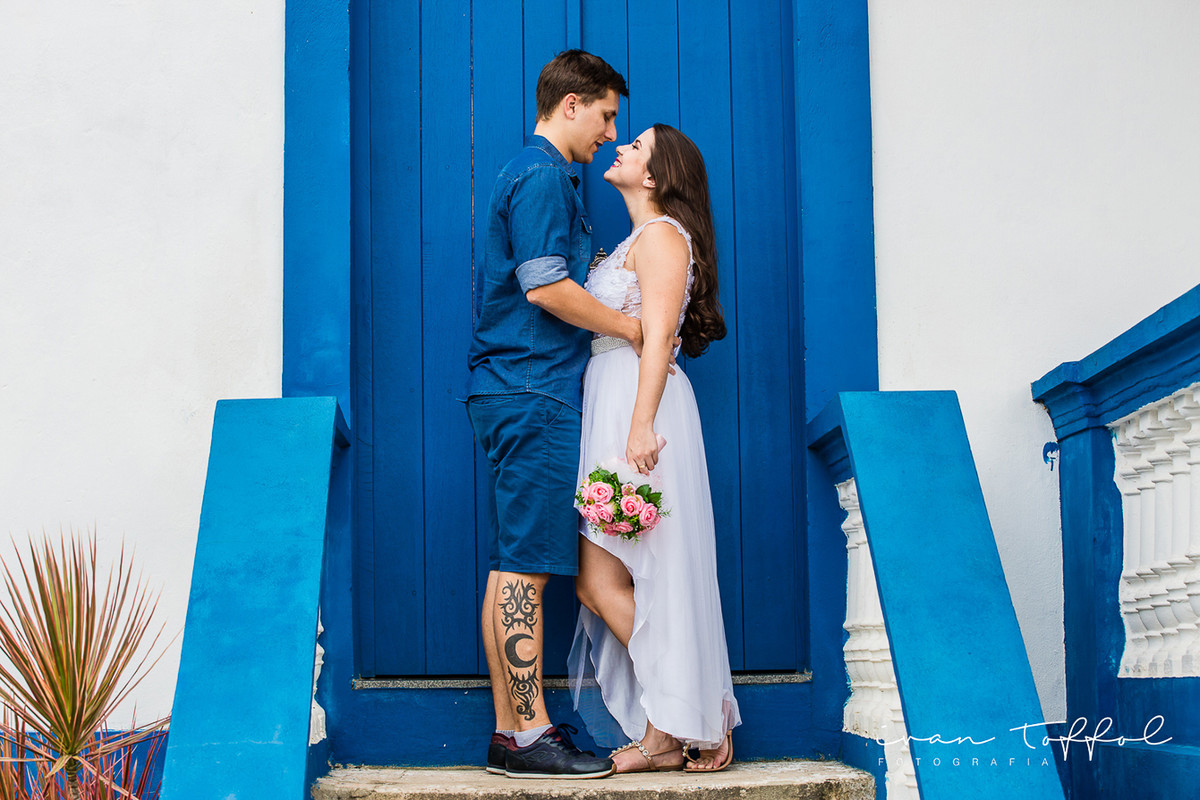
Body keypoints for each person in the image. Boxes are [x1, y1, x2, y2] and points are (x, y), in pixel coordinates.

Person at [465, 50, 639, 780]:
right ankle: (532, 731)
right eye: (605, 115)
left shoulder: (535, 175)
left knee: (516, 562)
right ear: (571, 105)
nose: (609, 133)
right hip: (532, 388)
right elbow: (544, 288)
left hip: (516, 388)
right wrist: (631, 329)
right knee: (529, 568)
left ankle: (512, 735)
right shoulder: (541, 176)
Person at [569, 124, 741, 773]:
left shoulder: (666, 237)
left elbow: (660, 337)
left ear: (656, 174)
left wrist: (640, 427)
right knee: (601, 581)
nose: (620, 146)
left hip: (641, 410)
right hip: (612, 400)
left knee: (638, 575)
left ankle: (683, 719)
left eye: (636, 146)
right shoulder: (634, 241)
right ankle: (679, 716)